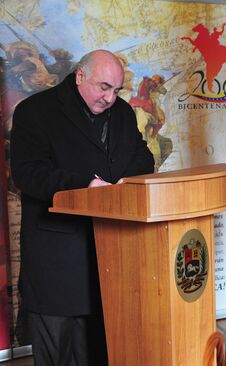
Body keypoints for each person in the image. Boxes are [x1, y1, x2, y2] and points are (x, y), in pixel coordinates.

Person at [10, 49, 154, 365]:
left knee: (105, 349)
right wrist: (86, 185)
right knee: (59, 354)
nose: (110, 98)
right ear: (79, 76)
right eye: (104, 87)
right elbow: (28, 173)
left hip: (112, 253)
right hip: (58, 257)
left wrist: (119, 184)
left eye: (117, 90)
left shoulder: (123, 113)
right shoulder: (34, 111)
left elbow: (144, 158)